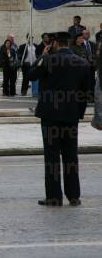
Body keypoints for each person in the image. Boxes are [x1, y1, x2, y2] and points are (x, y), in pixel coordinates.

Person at [28, 32, 89, 206]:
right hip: (71, 116)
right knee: (71, 156)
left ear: (54, 43)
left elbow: (30, 75)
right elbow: (85, 93)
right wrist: (79, 113)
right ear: (68, 43)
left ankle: (54, 197)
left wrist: (42, 56)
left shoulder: (48, 60)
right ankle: (74, 196)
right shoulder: (82, 63)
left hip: (50, 116)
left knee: (52, 157)